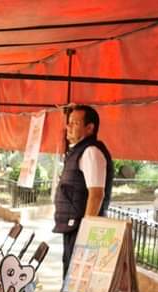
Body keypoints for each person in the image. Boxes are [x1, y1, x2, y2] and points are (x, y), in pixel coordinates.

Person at [53, 104, 113, 276]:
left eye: (75, 123)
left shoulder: (91, 152)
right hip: (72, 226)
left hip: (82, 228)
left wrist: (88, 229)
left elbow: (96, 194)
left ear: (89, 128)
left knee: (78, 277)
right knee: (71, 273)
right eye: (69, 122)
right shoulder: (78, 151)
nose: (68, 127)